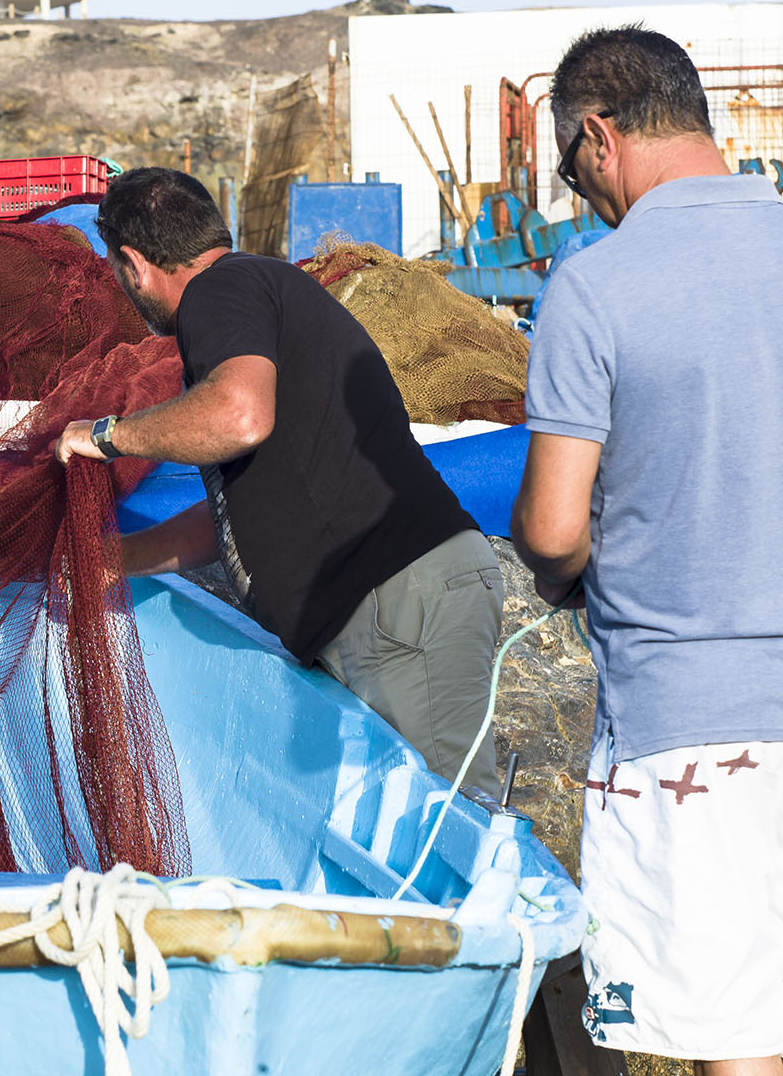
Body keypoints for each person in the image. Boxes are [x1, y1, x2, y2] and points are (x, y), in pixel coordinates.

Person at [510, 27, 783, 1076]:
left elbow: (554, 528)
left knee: (727, 1043)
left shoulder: (595, 286)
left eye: (571, 169)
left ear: (599, 137)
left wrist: (582, 568)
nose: (581, 193)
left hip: (680, 727)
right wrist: (778, 539)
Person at [55, 167, 505, 793]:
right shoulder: (257, 294)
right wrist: (115, 559)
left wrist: (104, 435)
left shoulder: (220, 291)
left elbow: (240, 416)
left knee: (449, 835)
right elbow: (236, 521)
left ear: (134, 264)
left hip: (400, 598)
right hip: (393, 603)